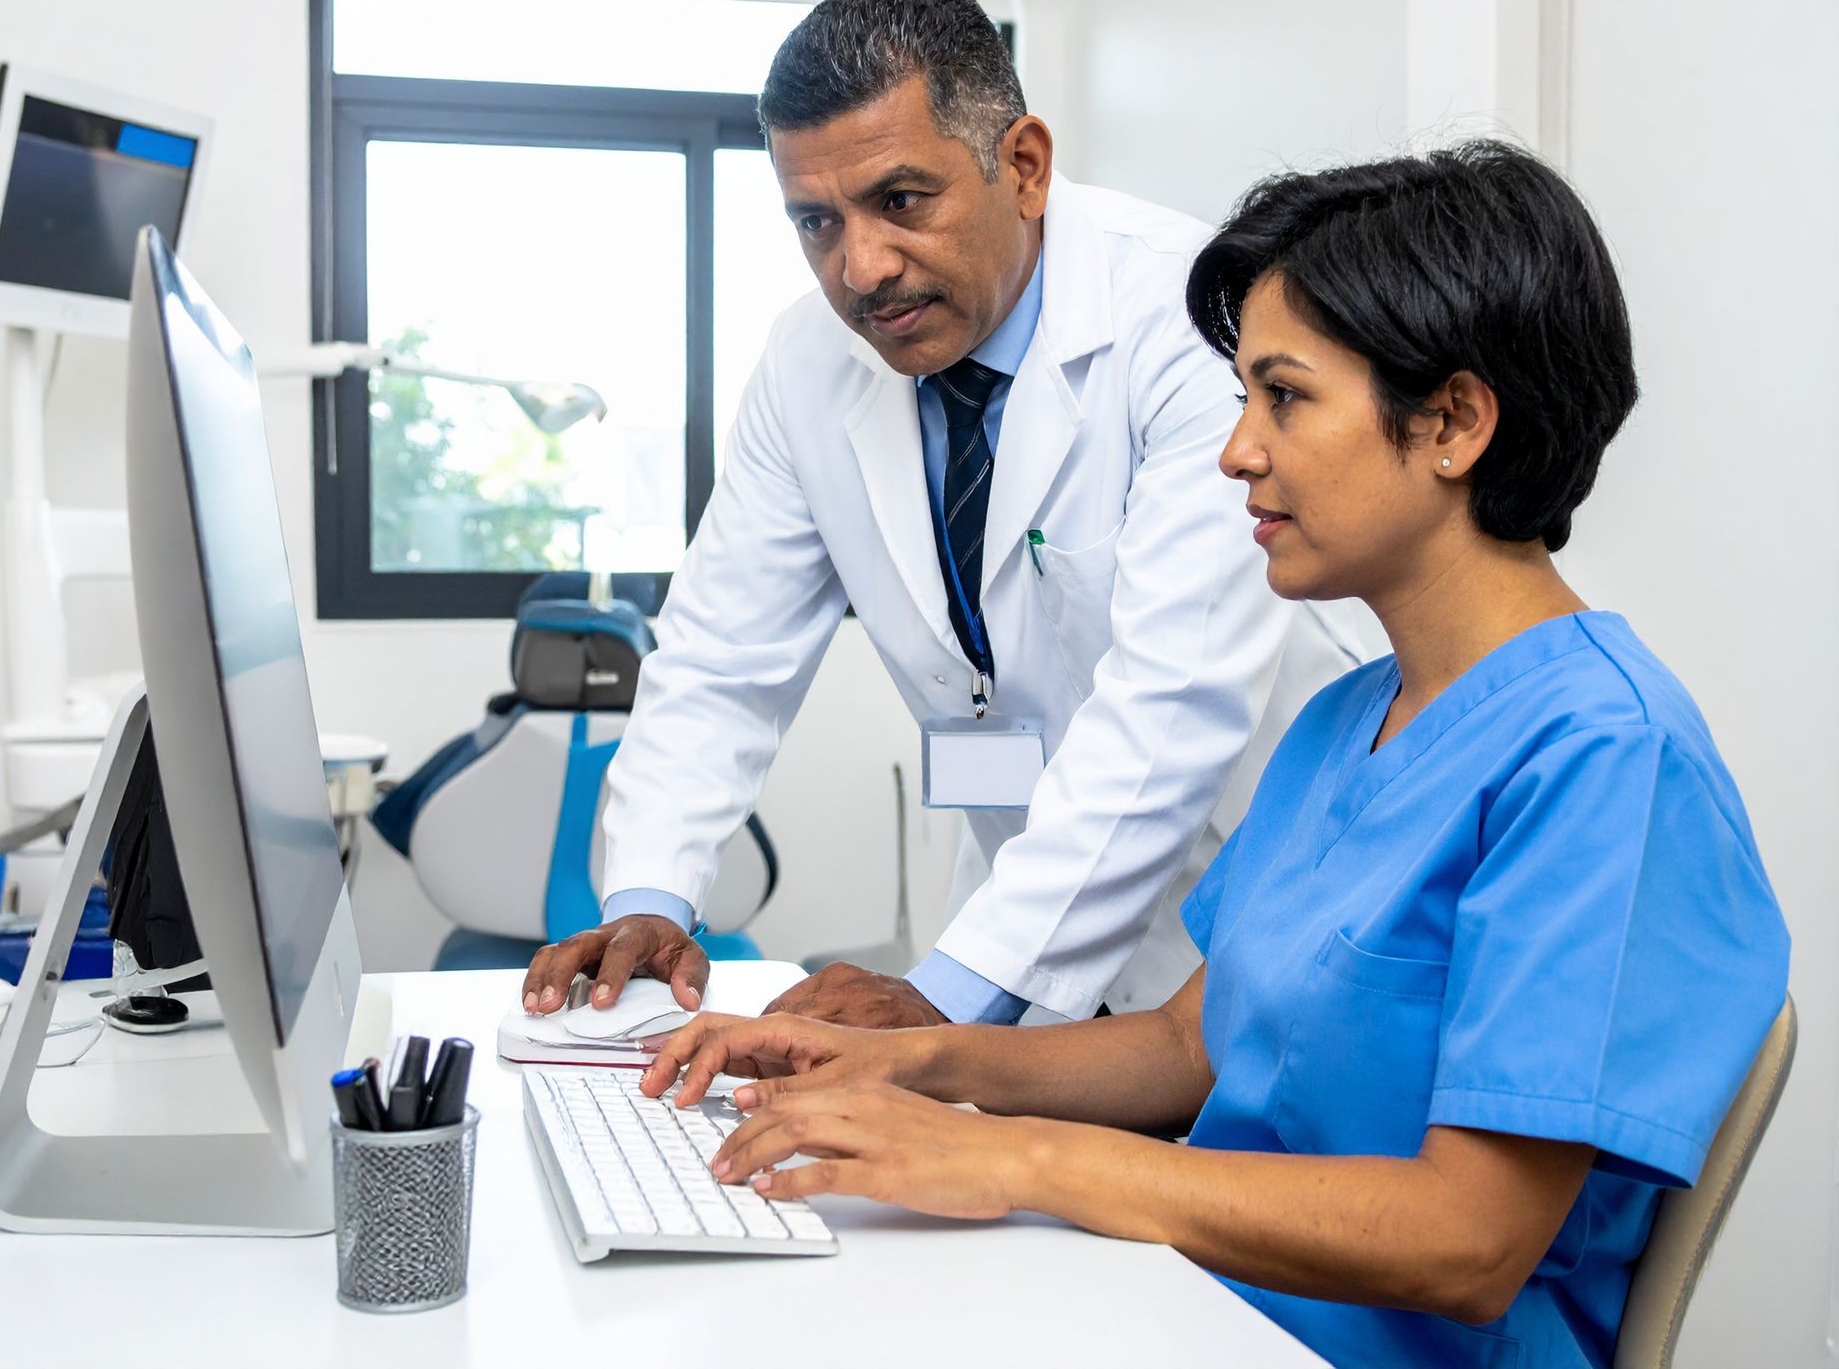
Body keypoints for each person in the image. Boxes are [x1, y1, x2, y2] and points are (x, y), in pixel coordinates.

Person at [635, 141, 1791, 1369]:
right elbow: (1192, 1043)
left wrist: (1017, 1157)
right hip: (1194, 1308)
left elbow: (1468, 1240)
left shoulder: (1607, 760)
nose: (1234, 449)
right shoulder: (1349, 720)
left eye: (1282, 397)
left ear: (1452, 420)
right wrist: (909, 1058)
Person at [521, 0, 1360, 1029]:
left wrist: (941, 998)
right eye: (815, 221)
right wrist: (649, 893)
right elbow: (721, 657)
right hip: (1018, 915)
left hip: (1252, 902)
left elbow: (1170, 706)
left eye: (901, 202)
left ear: (1024, 167)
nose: (860, 266)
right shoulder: (808, 362)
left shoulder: (1190, 318)